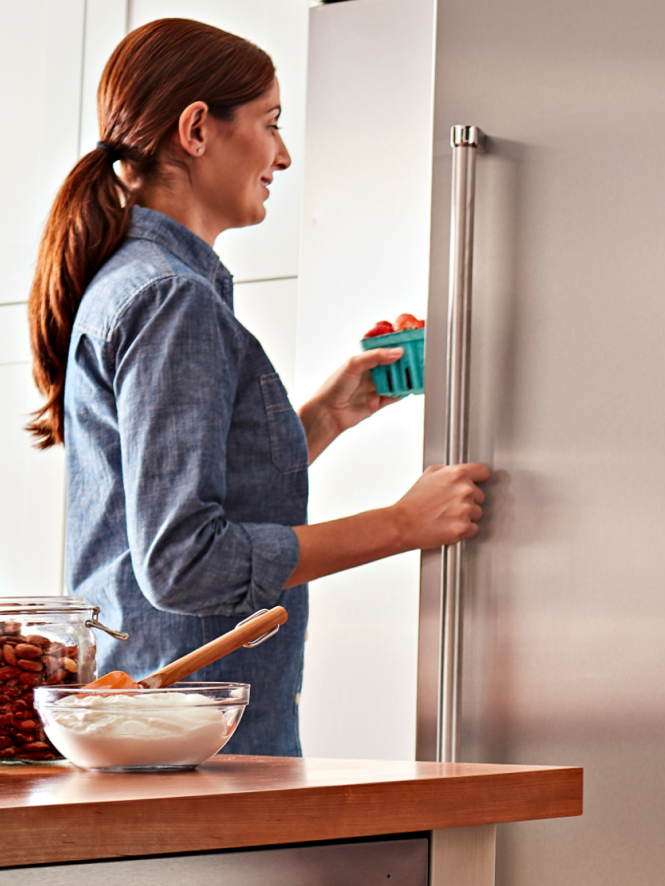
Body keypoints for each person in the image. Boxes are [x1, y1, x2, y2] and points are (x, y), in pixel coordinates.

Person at [23, 19, 488, 755]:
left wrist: (327, 417)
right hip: (181, 748)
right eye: (270, 124)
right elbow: (184, 563)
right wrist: (403, 525)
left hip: (152, 731)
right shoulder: (173, 297)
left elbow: (176, 499)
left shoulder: (136, 283)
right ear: (198, 130)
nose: (283, 154)